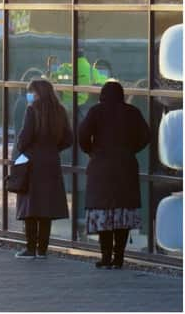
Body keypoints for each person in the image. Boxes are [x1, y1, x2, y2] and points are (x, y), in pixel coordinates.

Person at [78, 82, 150, 269]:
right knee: (122, 213)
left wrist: (92, 152)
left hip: (100, 168)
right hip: (125, 167)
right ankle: (119, 257)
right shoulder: (132, 112)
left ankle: (106, 257)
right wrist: (130, 150)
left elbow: (82, 136)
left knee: (104, 214)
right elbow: (146, 136)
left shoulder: (96, 111)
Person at [14, 79, 73, 259]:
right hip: (51, 162)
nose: (29, 95)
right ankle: (42, 249)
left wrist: (24, 148)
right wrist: (53, 149)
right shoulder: (60, 110)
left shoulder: (33, 110)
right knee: (46, 207)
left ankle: (30, 248)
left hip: (33, 163)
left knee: (31, 207)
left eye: (31, 92)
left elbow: (24, 138)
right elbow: (68, 138)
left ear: (37, 92)